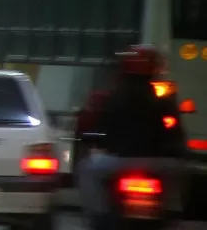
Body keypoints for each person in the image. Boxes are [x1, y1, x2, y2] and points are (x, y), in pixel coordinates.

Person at [75, 46, 185, 225]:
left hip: (118, 161)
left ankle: (100, 217)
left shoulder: (111, 97)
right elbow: (176, 132)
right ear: (155, 69)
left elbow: (96, 129)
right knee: (176, 174)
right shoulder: (164, 100)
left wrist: (93, 139)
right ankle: (171, 211)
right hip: (161, 163)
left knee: (86, 169)